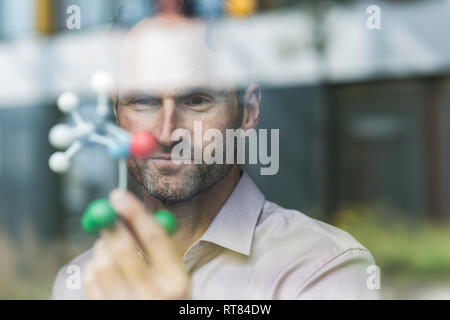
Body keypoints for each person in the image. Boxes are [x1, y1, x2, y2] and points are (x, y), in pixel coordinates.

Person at [51, 14, 378, 300]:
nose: (166, 134)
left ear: (248, 111)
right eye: (144, 101)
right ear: (116, 111)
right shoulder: (79, 283)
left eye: (196, 100)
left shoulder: (321, 268)